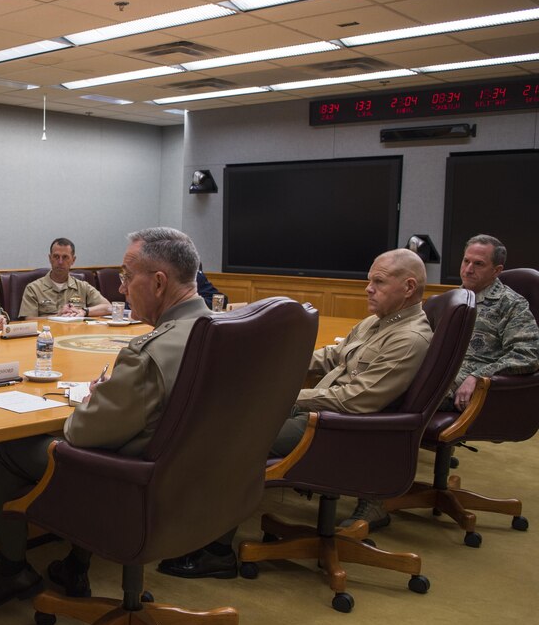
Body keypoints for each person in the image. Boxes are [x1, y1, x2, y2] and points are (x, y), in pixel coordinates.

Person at [0, 227, 212, 608]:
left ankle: (13, 568)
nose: (121, 289)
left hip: (130, 480)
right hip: (192, 482)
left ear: (160, 283)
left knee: (8, 444)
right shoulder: (220, 332)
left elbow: (81, 433)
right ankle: (76, 563)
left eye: (128, 277)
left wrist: (99, 399)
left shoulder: (148, 353)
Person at [158, 248, 433, 579]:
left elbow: (358, 399)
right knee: (232, 424)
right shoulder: (378, 322)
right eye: (368, 280)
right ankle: (191, 526)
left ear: (408, 287)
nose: (368, 288)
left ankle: (216, 552)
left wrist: (286, 397)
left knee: (238, 443)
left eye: (378, 281)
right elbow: (333, 356)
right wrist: (277, 359)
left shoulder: (410, 338)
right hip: (325, 417)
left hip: (344, 431)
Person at [446, 234, 538, 411]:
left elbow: (527, 355)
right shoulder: (449, 299)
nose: (468, 269)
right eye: (466, 261)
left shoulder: (511, 304)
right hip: (436, 373)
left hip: (469, 386)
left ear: (496, 271)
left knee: (401, 397)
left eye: (478, 264)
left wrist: (478, 376)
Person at [18, 238, 111, 318]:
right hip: (46, 336)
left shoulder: (83, 287)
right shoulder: (33, 289)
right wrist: (58, 316)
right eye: (56, 257)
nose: (60, 262)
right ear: (50, 258)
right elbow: (29, 320)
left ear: (73, 260)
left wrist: (84, 311)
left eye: (65, 257)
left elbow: (109, 308)